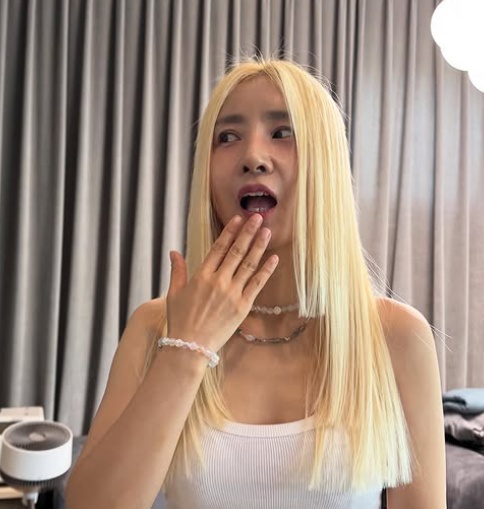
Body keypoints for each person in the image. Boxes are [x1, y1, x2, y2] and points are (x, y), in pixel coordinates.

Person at [65, 58, 446, 509]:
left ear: (325, 163)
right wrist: (187, 349)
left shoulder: (396, 336)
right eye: (227, 137)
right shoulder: (155, 327)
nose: (252, 157)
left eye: (282, 132)